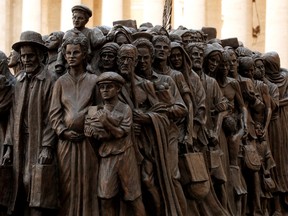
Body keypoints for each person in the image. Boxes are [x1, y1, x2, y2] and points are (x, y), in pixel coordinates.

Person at [2, 31, 57, 216]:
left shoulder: (50, 80)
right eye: (23, 56)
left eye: (30, 56)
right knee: (18, 185)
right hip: (19, 143)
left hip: (39, 141)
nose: (26, 60)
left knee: (34, 184)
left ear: (40, 56)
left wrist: (47, 146)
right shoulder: (19, 81)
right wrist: (9, 146)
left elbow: (52, 117)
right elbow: (12, 116)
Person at [49, 35, 99, 216]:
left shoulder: (93, 80)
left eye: (76, 52)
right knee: (66, 183)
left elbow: (99, 109)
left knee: (88, 183)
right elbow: (54, 113)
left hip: (88, 143)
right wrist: (63, 131)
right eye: (68, 53)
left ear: (84, 54)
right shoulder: (60, 82)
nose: (71, 56)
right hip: (66, 143)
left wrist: (89, 128)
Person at [84, 71, 146, 216]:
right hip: (107, 157)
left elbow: (120, 133)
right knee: (105, 197)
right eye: (102, 87)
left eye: (109, 87)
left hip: (125, 156)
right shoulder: (96, 110)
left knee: (133, 198)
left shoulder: (125, 109)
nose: (104, 90)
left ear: (118, 89)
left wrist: (106, 123)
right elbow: (93, 133)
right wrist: (91, 133)